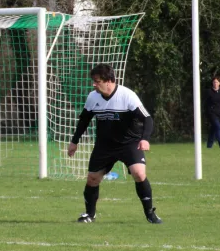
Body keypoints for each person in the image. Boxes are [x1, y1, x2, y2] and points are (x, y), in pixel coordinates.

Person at [67, 64, 162, 224]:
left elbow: (147, 118)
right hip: (104, 145)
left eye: (97, 81)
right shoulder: (93, 97)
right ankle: (89, 214)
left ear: (109, 81)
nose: (94, 84)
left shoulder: (127, 96)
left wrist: (144, 138)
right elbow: (84, 120)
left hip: (129, 143)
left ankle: (150, 214)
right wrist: (74, 141)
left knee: (139, 173)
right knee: (92, 179)